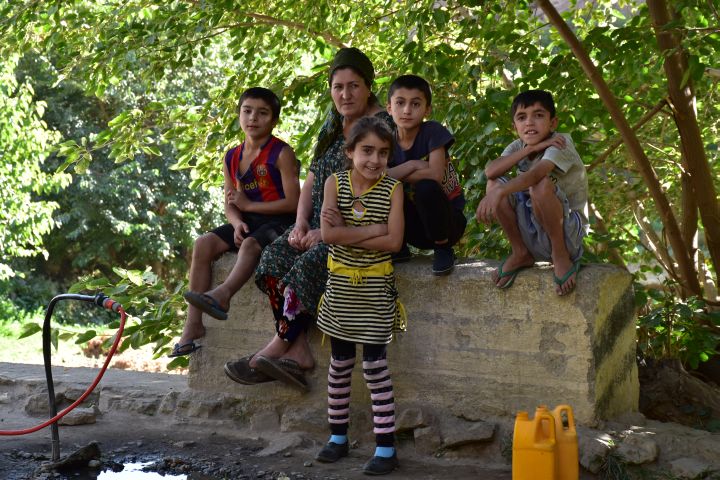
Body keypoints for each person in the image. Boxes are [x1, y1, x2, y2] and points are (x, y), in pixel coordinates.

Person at [223, 47, 394, 389]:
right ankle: (298, 349)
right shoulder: (333, 122)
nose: (345, 94)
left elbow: (379, 187)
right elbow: (313, 177)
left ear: (369, 86)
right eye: (338, 87)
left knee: (304, 268)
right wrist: (302, 223)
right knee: (271, 260)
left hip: (354, 234)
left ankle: (274, 349)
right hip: (315, 226)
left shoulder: (383, 125)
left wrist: (327, 232)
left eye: (354, 86)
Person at [169, 87, 300, 357]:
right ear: (239, 114)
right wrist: (237, 221)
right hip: (249, 219)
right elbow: (230, 201)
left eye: (262, 113)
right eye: (247, 111)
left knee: (251, 244)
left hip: (281, 220)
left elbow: (294, 203)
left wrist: (249, 206)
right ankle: (192, 326)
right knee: (203, 243)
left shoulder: (281, 153)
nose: (253, 118)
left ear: (274, 120)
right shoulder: (232, 156)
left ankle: (224, 295)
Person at [313, 116, 404, 475]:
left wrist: (348, 230)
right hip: (340, 289)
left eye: (383, 153)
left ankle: (386, 447)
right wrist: (374, 229)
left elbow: (394, 242)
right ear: (350, 152)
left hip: (375, 289)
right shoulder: (334, 184)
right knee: (339, 366)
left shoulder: (393, 189)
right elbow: (328, 236)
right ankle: (338, 438)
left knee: (375, 367)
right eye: (366, 150)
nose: (374, 160)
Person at [475, 89, 588, 296]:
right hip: (533, 229)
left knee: (539, 184)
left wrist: (499, 192)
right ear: (514, 126)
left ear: (552, 123)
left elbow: (536, 174)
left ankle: (560, 255)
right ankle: (520, 252)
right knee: (494, 183)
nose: (529, 123)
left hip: (567, 232)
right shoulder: (519, 145)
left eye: (538, 115)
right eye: (522, 117)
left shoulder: (561, 142)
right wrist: (527, 150)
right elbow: (491, 170)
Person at [385, 74, 467, 275]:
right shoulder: (386, 140)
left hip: (448, 224)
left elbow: (435, 175)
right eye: (400, 103)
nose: (407, 110)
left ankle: (443, 248)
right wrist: (414, 164)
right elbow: (378, 177)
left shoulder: (432, 131)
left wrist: (397, 175)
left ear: (427, 109)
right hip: (413, 228)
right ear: (389, 108)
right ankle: (399, 246)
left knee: (426, 187)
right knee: (385, 190)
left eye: (415, 104)